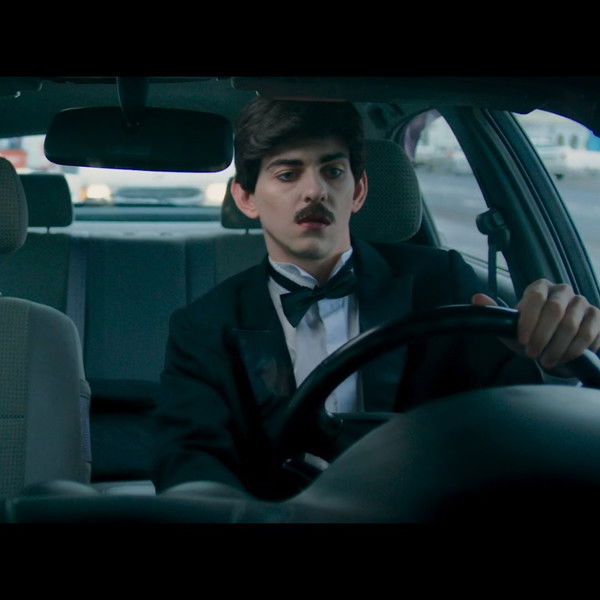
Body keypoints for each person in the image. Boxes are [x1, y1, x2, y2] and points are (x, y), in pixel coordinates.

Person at [152, 97, 600, 499]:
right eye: (288, 174)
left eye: (333, 171)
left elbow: (512, 411)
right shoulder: (203, 324)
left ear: (359, 191)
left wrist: (555, 350)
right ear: (246, 198)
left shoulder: (440, 282)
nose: (315, 191)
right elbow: (190, 458)